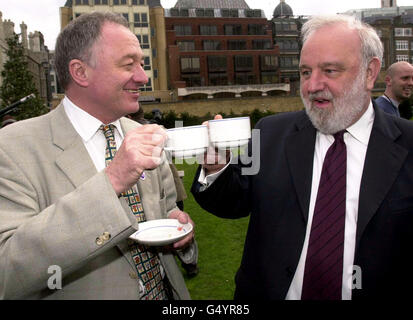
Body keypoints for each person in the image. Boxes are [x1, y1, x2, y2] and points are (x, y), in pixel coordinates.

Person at [191, 14, 413, 300]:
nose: (312, 85)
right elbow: (233, 200)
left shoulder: (408, 144)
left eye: (330, 70)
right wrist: (217, 166)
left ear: (370, 73)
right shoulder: (271, 133)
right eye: (305, 72)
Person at [0, 12, 195, 300]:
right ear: (80, 72)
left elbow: (165, 214)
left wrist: (180, 232)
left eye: (142, 64)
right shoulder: (11, 148)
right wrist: (113, 180)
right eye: (129, 65)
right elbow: (8, 270)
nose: (143, 77)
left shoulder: (143, 134)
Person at [128, 108, 199, 277]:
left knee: (177, 222)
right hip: (154, 184)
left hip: (167, 182)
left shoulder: (153, 132)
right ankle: (189, 263)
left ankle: (189, 262)